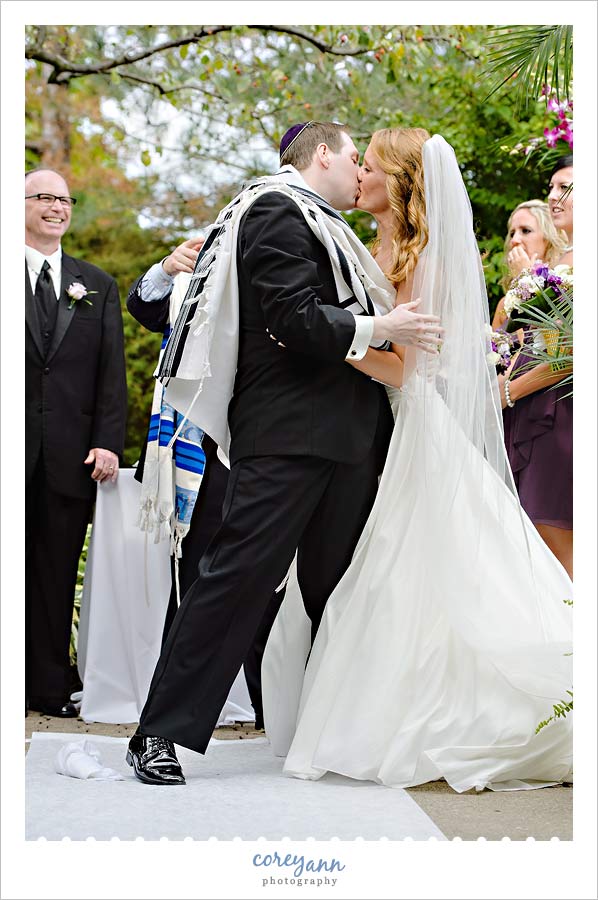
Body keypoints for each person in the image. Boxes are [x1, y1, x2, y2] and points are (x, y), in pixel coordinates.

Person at [126, 121, 443, 785]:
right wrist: (381, 327)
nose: (361, 172)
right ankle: (157, 733)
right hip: (288, 434)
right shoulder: (275, 209)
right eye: (354, 158)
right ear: (323, 154)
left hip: (352, 437)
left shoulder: (329, 225)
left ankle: (338, 733)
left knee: (339, 590)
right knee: (236, 577)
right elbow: (291, 317)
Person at [262, 129, 572, 793]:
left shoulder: (422, 256)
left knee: (422, 571)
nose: (358, 174)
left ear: (398, 181)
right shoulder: (368, 245)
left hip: (416, 425)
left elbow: (406, 370)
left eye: (370, 166)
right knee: (394, 575)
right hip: (375, 430)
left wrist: (336, 345)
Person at [127, 237, 286, 729]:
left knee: (270, 586)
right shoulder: (199, 282)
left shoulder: (282, 281)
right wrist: (167, 267)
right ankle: (166, 720)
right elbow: (145, 307)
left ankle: (273, 711)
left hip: (262, 446)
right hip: (200, 454)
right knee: (195, 585)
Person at [25, 168, 127, 717]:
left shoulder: (97, 284)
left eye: (64, 199)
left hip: (69, 455)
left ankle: (46, 687)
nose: (56, 207)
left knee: (56, 571)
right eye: (43, 197)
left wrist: (108, 441)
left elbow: (111, 373)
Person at [499, 158, 573, 578]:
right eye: (551, 188)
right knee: (534, 547)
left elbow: (567, 348)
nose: (553, 197)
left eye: (566, 187)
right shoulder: (562, 268)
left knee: (557, 543)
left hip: (558, 412)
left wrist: (507, 392)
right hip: (531, 408)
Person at [491, 199, 567, 330]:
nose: (514, 240)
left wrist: (525, 276)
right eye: (512, 233)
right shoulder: (504, 306)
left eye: (525, 230)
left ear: (549, 238)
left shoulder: (566, 293)